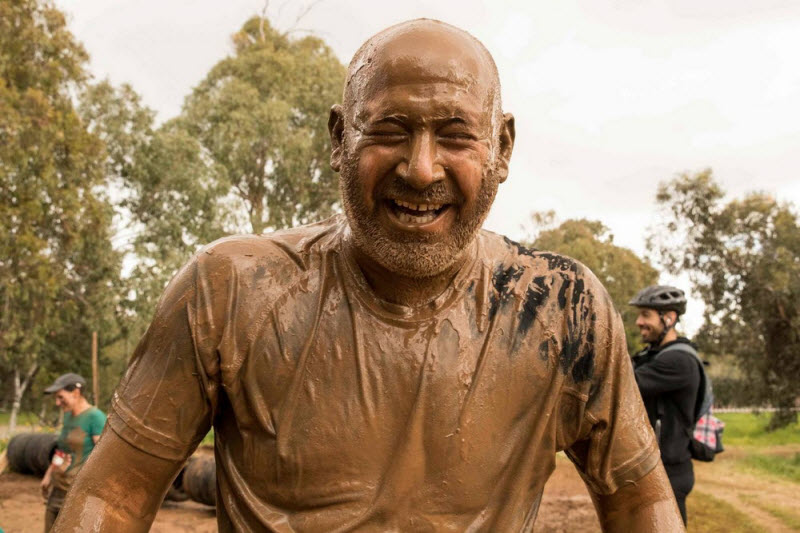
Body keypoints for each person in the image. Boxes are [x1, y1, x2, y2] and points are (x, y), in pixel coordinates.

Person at [54, 20, 684, 532]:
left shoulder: (561, 309)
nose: (421, 168)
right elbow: (115, 494)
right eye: (389, 130)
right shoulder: (231, 290)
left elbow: (639, 501)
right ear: (339, 137)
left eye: (456, 136)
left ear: (502, 147)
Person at [630, 285, 700, 525]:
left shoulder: (679, 360)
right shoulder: (654, 355)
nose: (639, 322)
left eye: (646, 315)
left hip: (669, 473)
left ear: (669, 318)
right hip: (656, 469)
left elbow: (625, 383)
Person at [40, 373, 106, 531]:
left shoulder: (96, 417)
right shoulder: (68, 415)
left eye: (61, 397)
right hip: (57, 489)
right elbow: (62, 450)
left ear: (76, 393)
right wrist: (48, 475)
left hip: (77, 495)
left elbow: (104, 460)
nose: (57, 403)